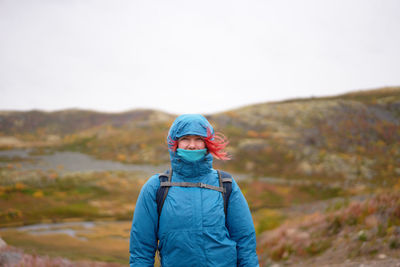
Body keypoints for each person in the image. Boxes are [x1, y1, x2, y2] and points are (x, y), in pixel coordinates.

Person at [129, 114, 259, 267]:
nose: (192, 145)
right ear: (175, 143)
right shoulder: (156, 187)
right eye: (185, 139)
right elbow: (141, 250)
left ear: (207, 144)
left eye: (199, 139)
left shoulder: (226, 185)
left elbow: (245, 243)